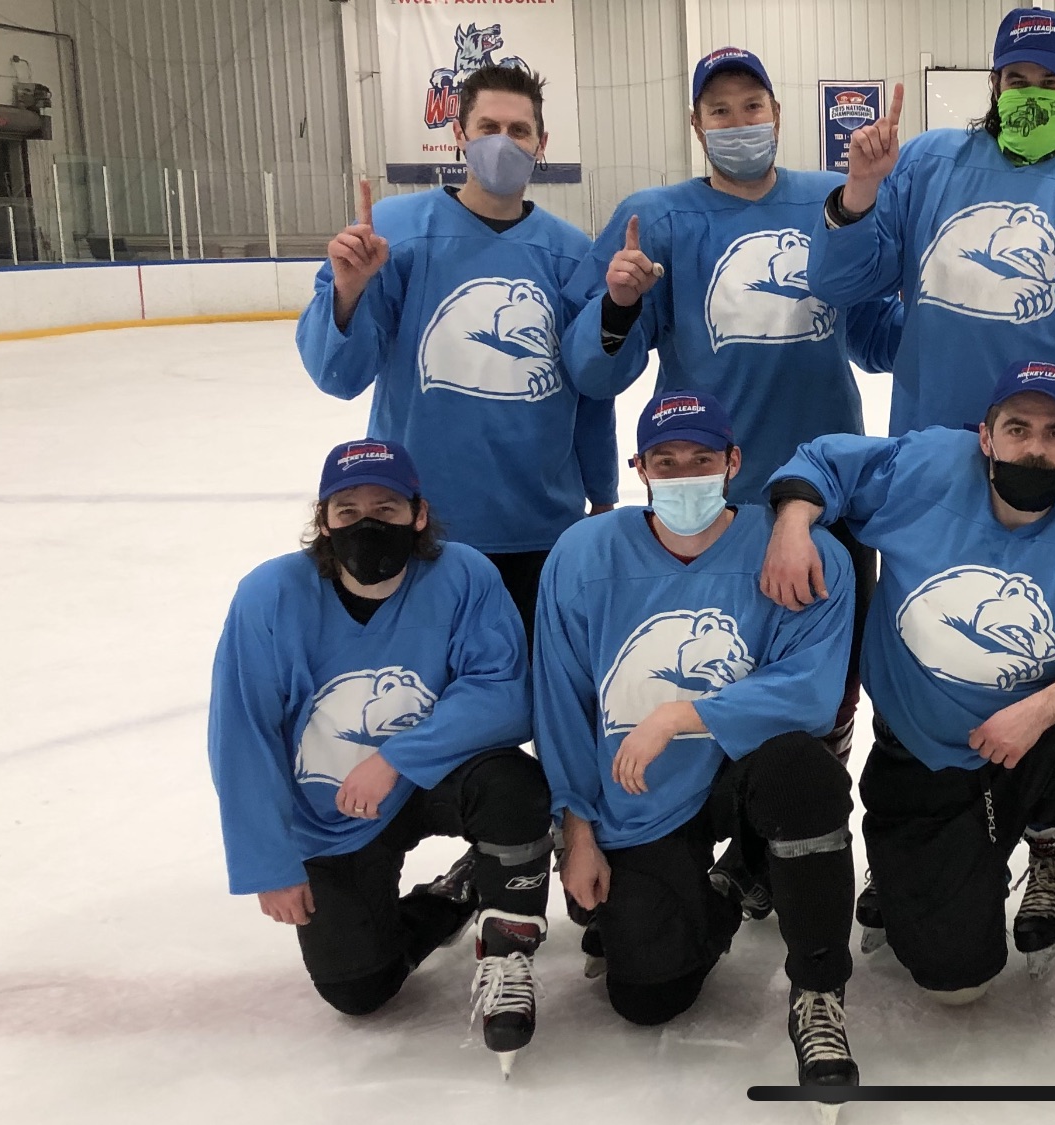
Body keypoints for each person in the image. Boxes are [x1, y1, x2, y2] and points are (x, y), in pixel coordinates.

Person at [758, 361, 1055, 1078]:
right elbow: (822, 461)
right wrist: (792, 522)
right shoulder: (927, 468)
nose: (1036, 447)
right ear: (986, 437)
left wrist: (1044, 707)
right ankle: (946, 865)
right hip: (926, 757)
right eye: (1018, 429)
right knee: (955, 983)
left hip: (1041, 741)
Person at [561, 44, 903, 918]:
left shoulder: (831, 199)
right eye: (720, 110)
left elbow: (875, 339)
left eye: (753, 106)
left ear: (778, 114)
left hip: (825, 499)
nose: (739, 122)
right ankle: (690, 833)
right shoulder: (656, 218)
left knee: (821, 691)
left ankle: (781, 847)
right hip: (706, 502)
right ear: (696, 124)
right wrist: (619, 303)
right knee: (712, 667)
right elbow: (596, 371)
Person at [532, 392, 862, 1094]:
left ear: (734, 462)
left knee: (804, 772)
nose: (685, 475)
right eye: (666, 462)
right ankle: (727, 884)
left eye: (702, 459)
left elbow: (809, 691)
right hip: (639, 791)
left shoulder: (798, 552)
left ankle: (818, 987)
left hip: (744, 773)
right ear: (640, 469)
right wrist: (577, 828)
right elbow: (561, 704)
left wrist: (679, 715)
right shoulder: (583, 555)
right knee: (647, 995)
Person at [206, 439, 553, 1075]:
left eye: (385, 509)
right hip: (332, 811)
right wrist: (269, 862)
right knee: (357, 988)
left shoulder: (464, 574)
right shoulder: (269, 596)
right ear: (324, 521)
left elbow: (505, 693)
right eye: (348, 511)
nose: (366, 523)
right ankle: (454, 897)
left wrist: (396, 758)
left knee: (514, 786)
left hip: (433, 778)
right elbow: (242, 733)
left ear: (418, 515)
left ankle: (510, 947)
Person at [810, 7, 1055, 493]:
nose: (1034, 94)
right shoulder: (928, 165)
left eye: (1050, 82)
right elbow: (839, 284)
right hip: (928, 455)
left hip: (1054, 462)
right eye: (1017, 80)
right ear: (995, 84)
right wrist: (859, 190)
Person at [298, 64, 613, 626]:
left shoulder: (570, 252)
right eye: (488, 127)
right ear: (459, 135)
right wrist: (349, 290)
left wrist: (602, 492)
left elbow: (589, 388)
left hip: (540, 527)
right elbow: (338, 375)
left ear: (541, 143)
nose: (503, 142)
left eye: (519, 130)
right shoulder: (394, 234)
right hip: (419, 526)